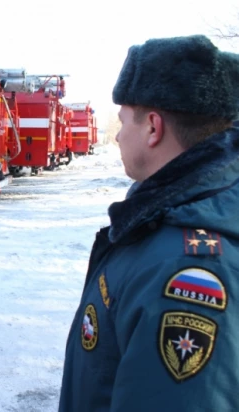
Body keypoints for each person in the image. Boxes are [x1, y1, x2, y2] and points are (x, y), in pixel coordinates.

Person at [58, 35, 239, 411]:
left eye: (124, 121)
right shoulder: (168, 221)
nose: (120, 134)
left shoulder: (185, 270)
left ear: (153, 128)